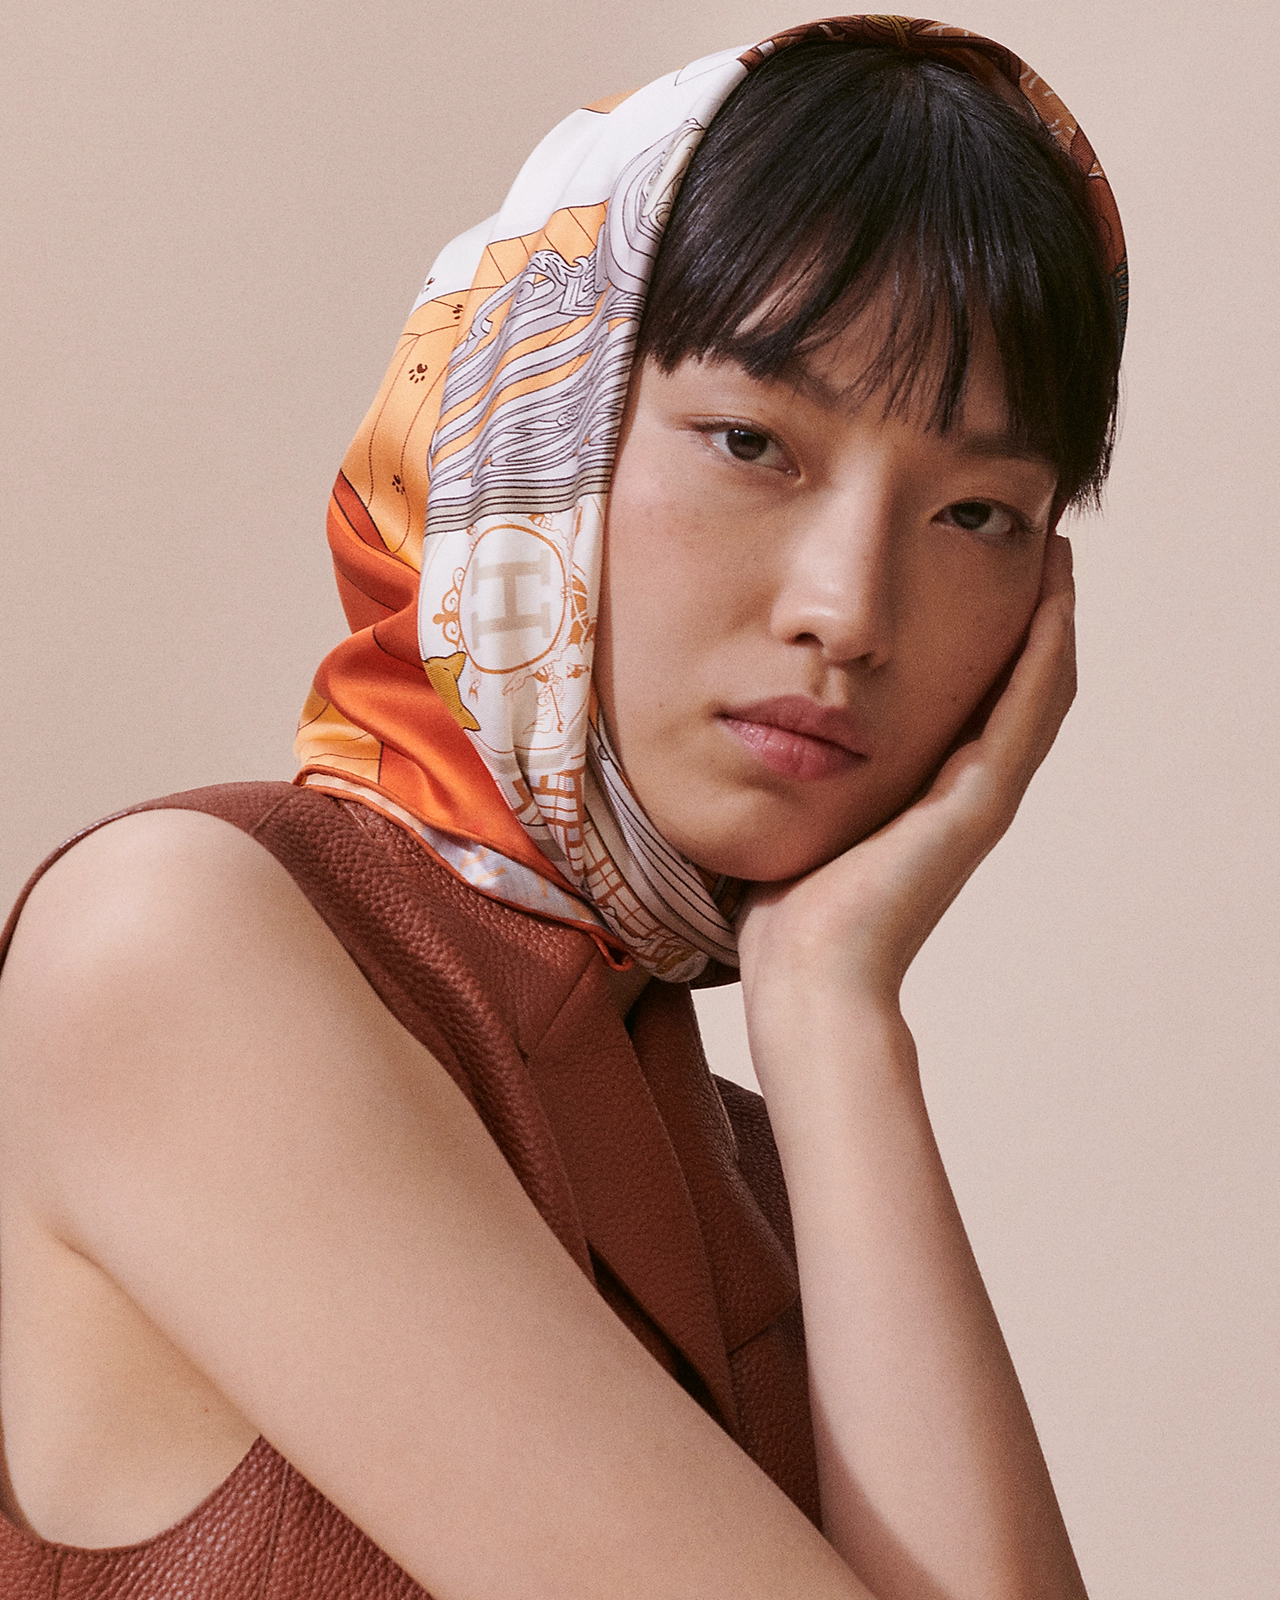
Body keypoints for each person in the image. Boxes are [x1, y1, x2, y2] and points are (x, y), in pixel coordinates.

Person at [0, 16, 1124, 1600]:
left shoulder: (759, 1162)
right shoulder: (175, 946)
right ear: (541, 419)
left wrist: (829, 1004)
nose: (849, 608)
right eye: (752, 441)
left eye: (978, 515)